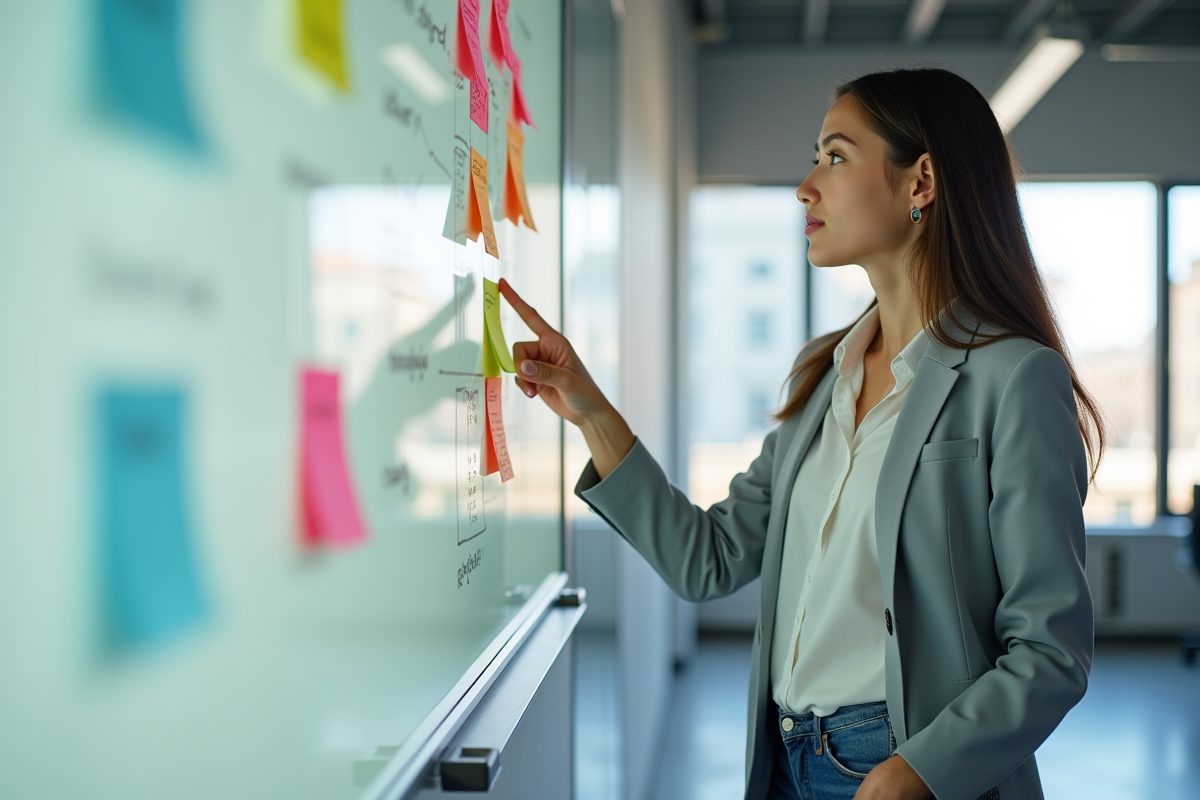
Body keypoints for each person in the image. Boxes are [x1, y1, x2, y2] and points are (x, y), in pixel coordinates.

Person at [500, 67, 1101, 800]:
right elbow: (709, 560)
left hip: (913, 770)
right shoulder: (825, 376)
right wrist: (592, 409)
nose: (805, 186)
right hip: (784, 762)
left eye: (836, 157)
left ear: (921, 183)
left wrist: (915, 772)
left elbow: (1049, 650)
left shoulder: (1014, 379)